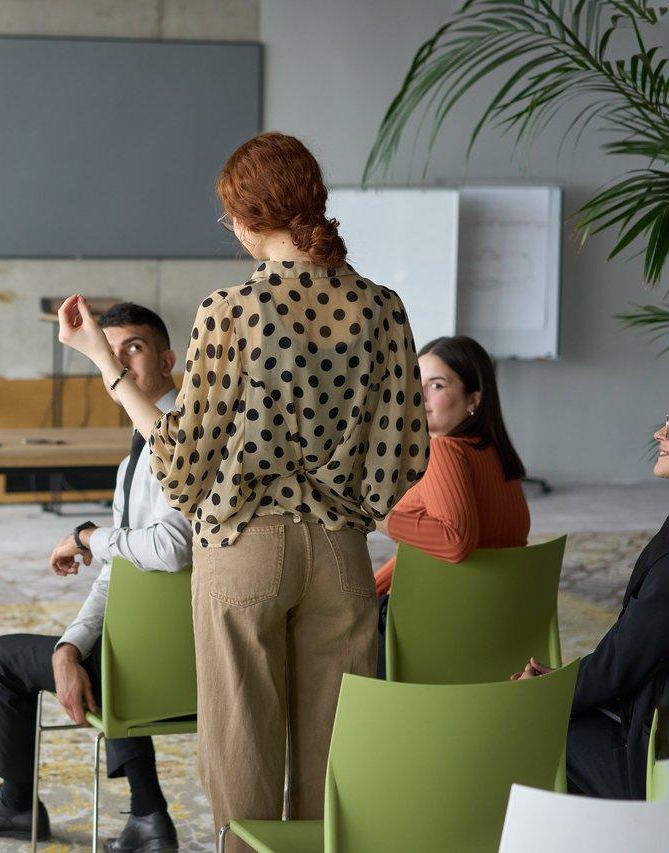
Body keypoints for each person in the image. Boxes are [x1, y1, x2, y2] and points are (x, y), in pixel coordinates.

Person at [56, 132, 428, 845]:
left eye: (230, 216)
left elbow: (180, 461)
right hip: (343, 553)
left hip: (243, 548)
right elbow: (406, 457)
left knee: (242, 764)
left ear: (250, 215)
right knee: (336, 776)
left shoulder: (232, 308)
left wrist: (103, 361)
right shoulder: (384, 307)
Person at [0, 303, 192, 851]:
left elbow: (170, 548)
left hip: (188, 662)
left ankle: (16, 804)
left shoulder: (181, 437)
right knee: (99, 648)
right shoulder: (132, 461)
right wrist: (67, 647)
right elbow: (119, 577)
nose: (117, 364)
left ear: (167, 358)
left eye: (130, 348)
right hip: (165, 661)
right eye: (106, 353)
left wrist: (88, 536)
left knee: (4, 657)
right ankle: (149, 817)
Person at [513, 413, 669, 800]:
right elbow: (634, 652)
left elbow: (623, 663)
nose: (659, 433)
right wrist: (565, 682)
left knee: (513, 724)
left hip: (654, 760)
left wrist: (545, 695)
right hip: (644, 713)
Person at [373, 336, 530, 674]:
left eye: (437, 385)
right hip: (495, 626)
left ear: (473, 400)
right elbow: (421, 558)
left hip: (437, 630)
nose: (420, 395)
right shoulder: (499, 460)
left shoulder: (444, 450)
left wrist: (373, 515)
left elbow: (453, 541)